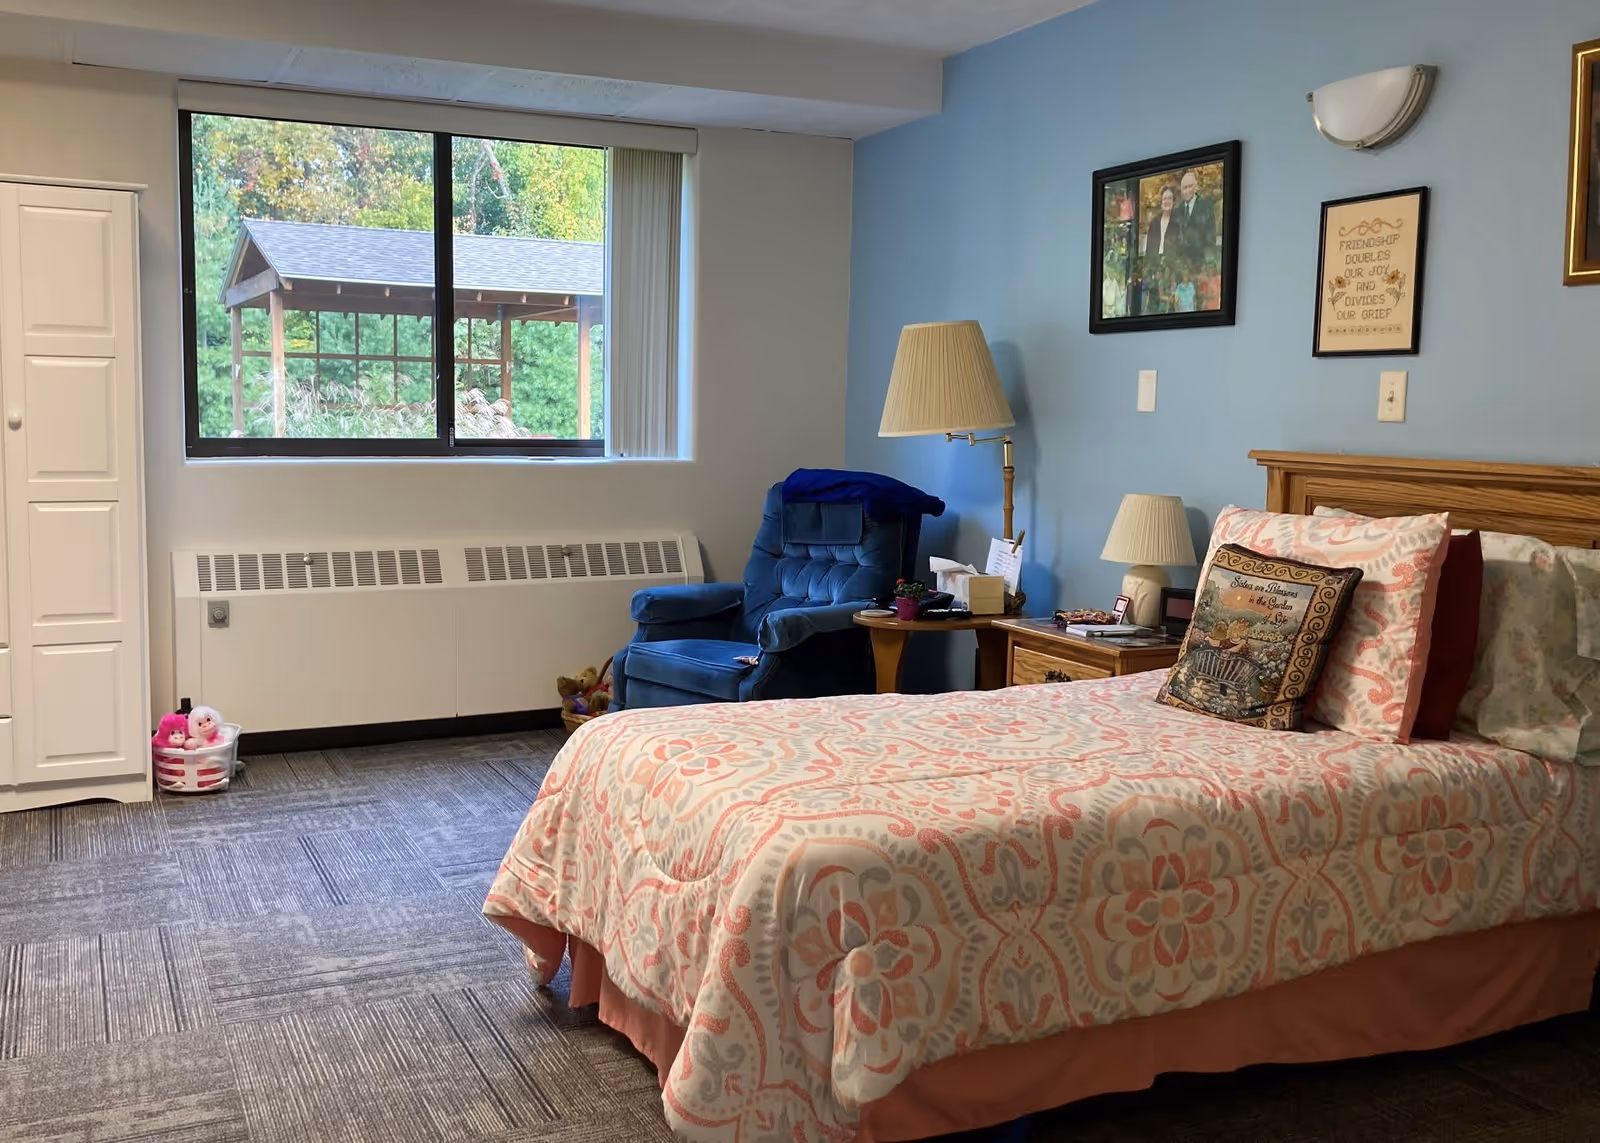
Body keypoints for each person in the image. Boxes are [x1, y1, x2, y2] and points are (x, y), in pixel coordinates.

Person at [1176, 169, 1217, 264]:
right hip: (1183, 263)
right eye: (1184, 188)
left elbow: (1210, 235)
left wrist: (1209, 261)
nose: (1187, 190)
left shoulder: (1206, 205)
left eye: (1190, 186)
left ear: (1195, 187)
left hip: (1202, 259)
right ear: (1181, 191)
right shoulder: (1178, 210)